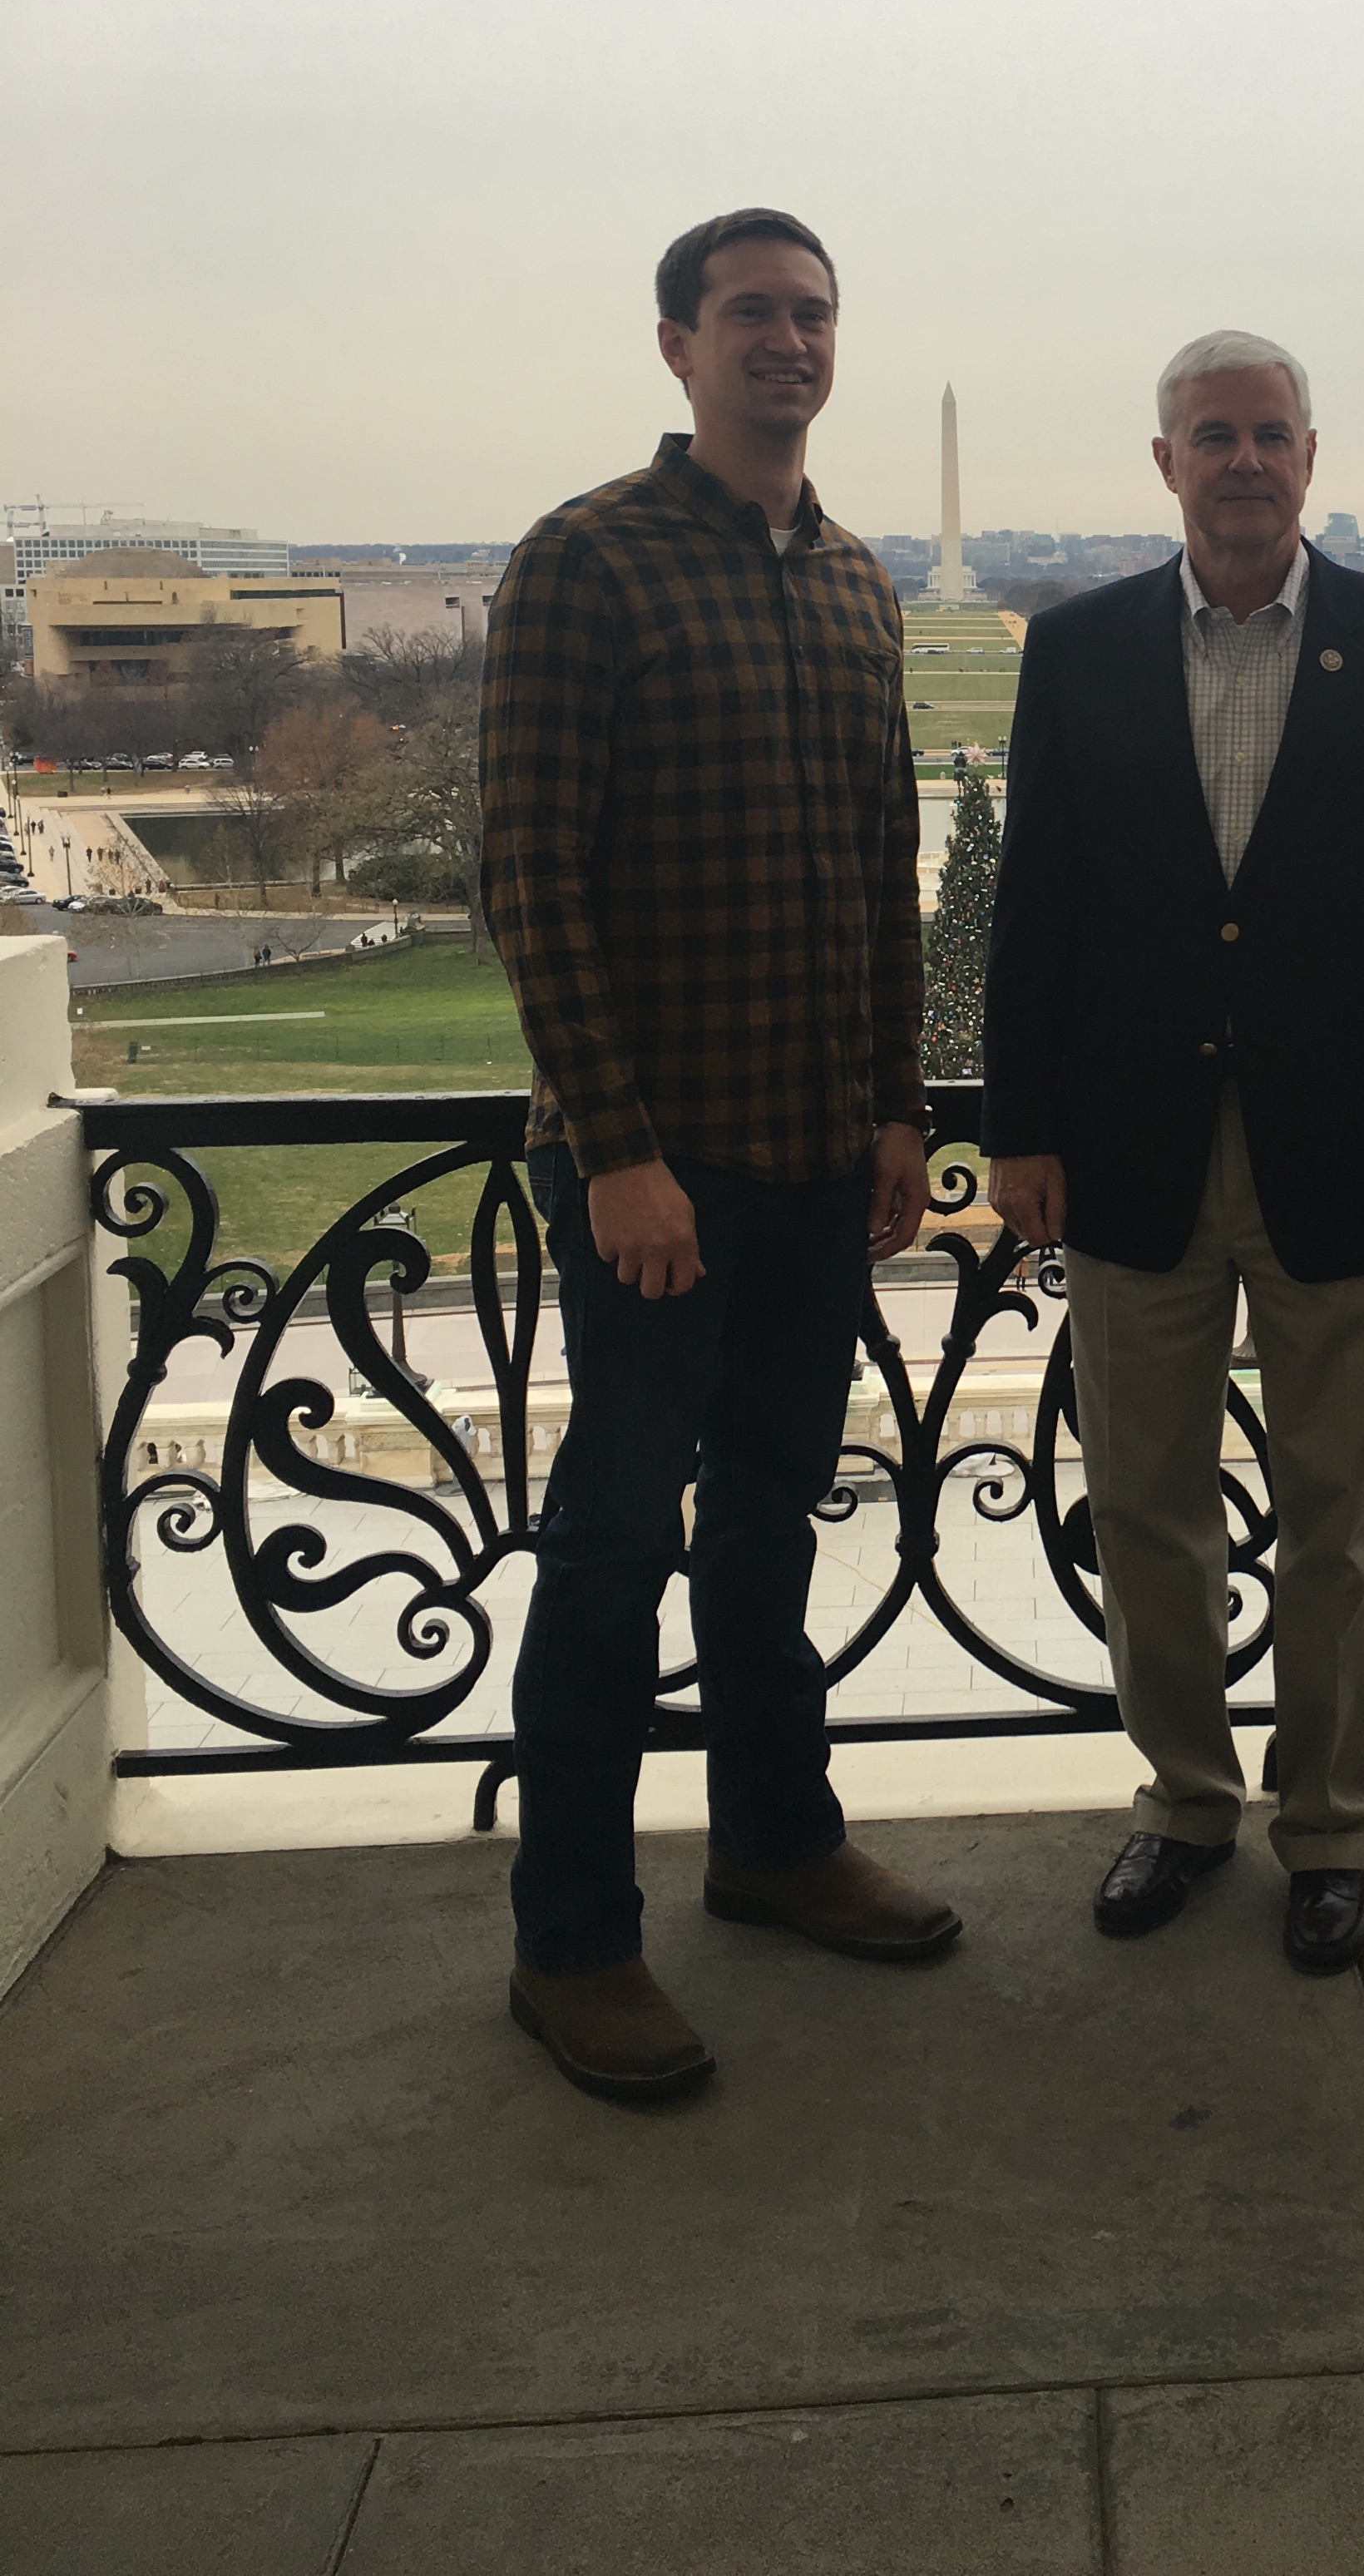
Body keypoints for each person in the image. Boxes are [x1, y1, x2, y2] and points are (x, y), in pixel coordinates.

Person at [478, 206, 959, 2108]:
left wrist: (901, 1109)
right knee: (613, 1549)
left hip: (814, 1158)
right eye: (751, 311)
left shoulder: (857, 586)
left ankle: (771, 1841)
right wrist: (616, 1151)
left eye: (814, 314)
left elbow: (879, 869)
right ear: (677, 343)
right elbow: (530, 875)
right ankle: (572, 1942)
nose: (790, 340)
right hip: (654, 1176)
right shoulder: (585, 560)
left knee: (769, 1523)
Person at [986, 334, 1364, 1975]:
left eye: (1272, 433)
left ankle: (1330, 1831)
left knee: (1344, 1522)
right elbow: (1036, 905)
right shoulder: (1077, 649)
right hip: (1129, 1152)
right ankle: (1187, 1805)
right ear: (1166, 463)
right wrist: (1021, 1129)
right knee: (1145, 1506)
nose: (1246, 460)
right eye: (1215, 435)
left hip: (1346, 1152)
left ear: (1312, 454)